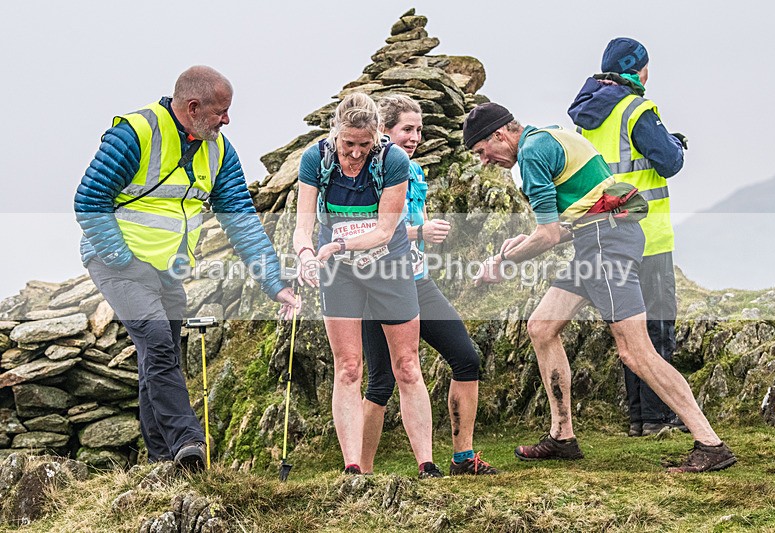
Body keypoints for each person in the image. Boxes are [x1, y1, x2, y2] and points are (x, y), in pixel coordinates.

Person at [464, 102, 736, 473]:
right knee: (541, 326)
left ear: (499, 135)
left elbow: (548, 235)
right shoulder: (549, 136)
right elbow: (578, 218)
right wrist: (521, 244)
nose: (485, 161)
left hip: (606, 246)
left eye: (482, 151)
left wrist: (502, 261)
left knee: (635, 352)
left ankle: (710, 443)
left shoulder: (531, 154)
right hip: (598, 241)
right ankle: (562, 436)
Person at [74, 66, 298, 472]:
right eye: (220, 111)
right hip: (118, 263)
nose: (227, 120)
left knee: (158, 358)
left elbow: (242, 221)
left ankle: (162, 463)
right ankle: (189, 443)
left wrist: (274, 283)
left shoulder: (219, 150)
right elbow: (89, 201)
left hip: (167, 270)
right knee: (158, 341)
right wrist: (122, 260)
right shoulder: (135, 133)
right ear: (193, 107)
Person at [293, 93, 442, 478]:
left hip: (389, 263)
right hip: (339, 271)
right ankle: (353, 468)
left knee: (407, 365)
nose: (356, 153)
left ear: (377, 135)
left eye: (365, 144)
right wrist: (306, 255)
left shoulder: (393, 160)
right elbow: (302, 228)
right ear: (336, 134)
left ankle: (426, 464)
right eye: (348, 144)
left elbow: (385, 230)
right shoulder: (315, 160)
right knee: (348, 367)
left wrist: (339, 245)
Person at [359, 95, 497, 476]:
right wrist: (419, 232)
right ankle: (361, 474)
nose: (415, 137)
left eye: (419, 130)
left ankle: (463, 458)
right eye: (407, 129)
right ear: (384, 130)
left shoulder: (416, 172)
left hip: (419, 281)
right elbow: (369, 232)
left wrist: (420, 236)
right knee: (381, 382)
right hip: (379, 286)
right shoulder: (368, 174)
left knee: (466, 359)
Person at [568, 38, 688, 437]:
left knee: (628, 328)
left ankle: (639, 418)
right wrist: (675, 143)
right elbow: (669, 162)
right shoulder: (637, 109)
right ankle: (658, 418)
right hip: (647, 235)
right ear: (639, 69)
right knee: (656, 327)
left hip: (607, 236)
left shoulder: (586, 117)